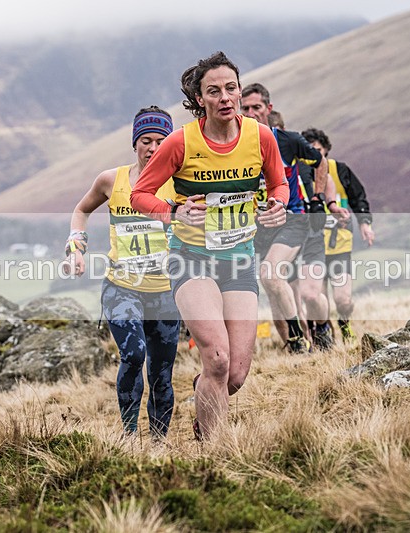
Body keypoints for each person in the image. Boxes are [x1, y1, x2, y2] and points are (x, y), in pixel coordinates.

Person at [131, 51, 289, 440]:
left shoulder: (260, 136)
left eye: (230, 88)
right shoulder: (181, 142)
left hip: (238, 262)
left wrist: (278, 206)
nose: (225, 98)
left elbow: (280, 184)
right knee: (217, 358)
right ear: (200, 99)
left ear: (239, 91)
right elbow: (140, 194)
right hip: (191, 260)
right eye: (214, 91)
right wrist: (174, 213)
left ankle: (204, 401)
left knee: (233, 374)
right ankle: (211, 453)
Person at [65, 105, 181, 440]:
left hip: (165, 292)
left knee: (162, 372)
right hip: (121, 287)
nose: (153, 148)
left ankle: (158, 442)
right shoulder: (110, 180)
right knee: (133, 354)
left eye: (161, 140)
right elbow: (81, 210)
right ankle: (129, 436)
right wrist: (76, 247)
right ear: (135, 143)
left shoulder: (179, 183)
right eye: (146, 140)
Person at [240, 83, 343, 353]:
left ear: (268, 109)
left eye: (256, 108)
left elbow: (320, 161)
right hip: (260, 228)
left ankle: (319, 328)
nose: (250, 113)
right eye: (245, 108)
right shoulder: (235, 144)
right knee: (274, 287)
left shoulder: (288, 140)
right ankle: (295, 344)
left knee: (299, 289)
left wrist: (320, 200)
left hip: (294, 221)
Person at [301, 127, 374, 341]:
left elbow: (358, 197)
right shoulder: (301, 176)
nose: (315, 156)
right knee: (317, 298)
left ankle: (344, 322)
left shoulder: (340, 170)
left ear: (326, 150)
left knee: (343, 299)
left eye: (318, 150)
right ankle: (323, 336)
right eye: (309, 151)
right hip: (312, 247)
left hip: (340, 246)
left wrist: (365, 223)